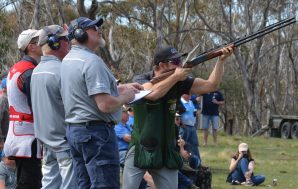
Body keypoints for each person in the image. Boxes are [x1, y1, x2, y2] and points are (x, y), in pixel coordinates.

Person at [122, 45, 233, 189]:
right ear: (162, 64)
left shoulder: (180, 82)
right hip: (140, 147)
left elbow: (211, 86)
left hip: (167, 148)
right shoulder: (142, 79)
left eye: (180, 60)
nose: (180, 64)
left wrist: (221, 61)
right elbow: (153, 94)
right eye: (175, 61)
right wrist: (175, 77)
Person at [61, 17, 142, 189]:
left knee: (84, 184)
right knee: (105, 185)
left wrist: (122, 88)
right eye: (94, 28)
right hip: (96, 133)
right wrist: (125, 98)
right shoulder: (92, 61)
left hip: (75, 131)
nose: (99, 30)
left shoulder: (68, 60)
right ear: (80, 33)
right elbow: (105, 104)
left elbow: (87, 92)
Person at [30, 25, 77, 189]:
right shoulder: (62, 70)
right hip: (64, 143)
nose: (68, 43)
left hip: (47, 144)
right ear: (55, 43)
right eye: (65, 39)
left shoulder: (36, 71)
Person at [4, 29, 43, 189]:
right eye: (40, 40)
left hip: (20, 134)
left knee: (26, 181)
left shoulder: (19, 67)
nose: (44, 43)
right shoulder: (29, 71)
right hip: (27, 136)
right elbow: (39, 105)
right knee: (30, 183)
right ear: (31, 46)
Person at [179, 93, 200, 159]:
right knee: (183, 144)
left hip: (192, 126)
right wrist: (181, 123)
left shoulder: (191, 102)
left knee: (194, 144)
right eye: (187, 93)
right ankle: (183, 161)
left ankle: (196, 162)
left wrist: (197, 112)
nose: (190, 94)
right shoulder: (180, 102)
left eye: (190, 93)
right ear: (182, 94)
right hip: (183, 127)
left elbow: (198, 110)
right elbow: (177, 114)